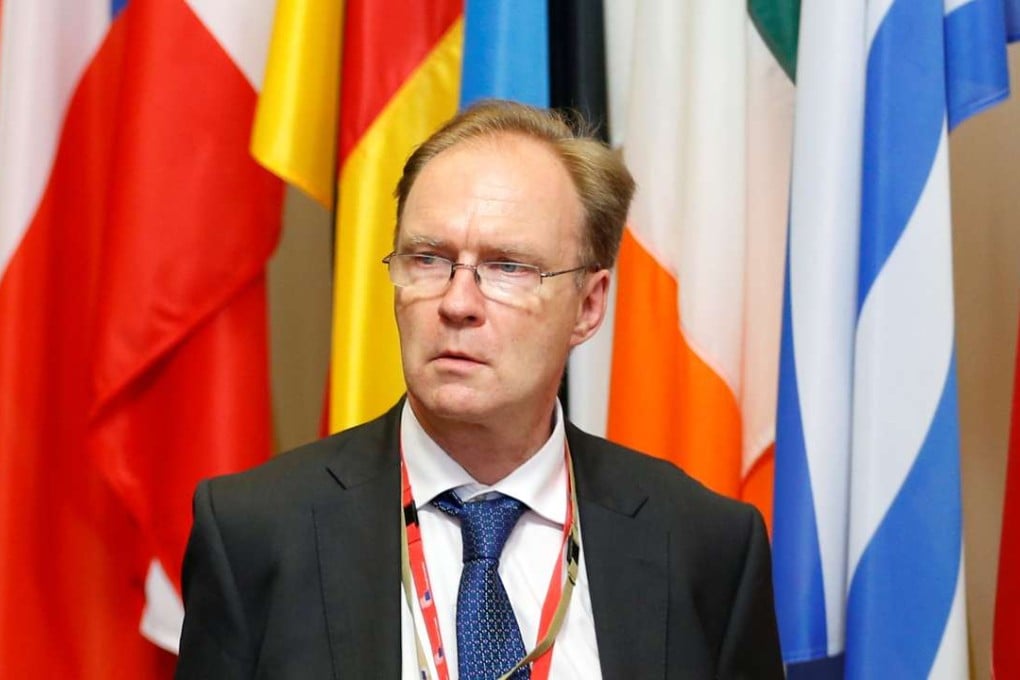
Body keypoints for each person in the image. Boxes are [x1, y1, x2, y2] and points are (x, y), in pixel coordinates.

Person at [175, 100, 783, 679]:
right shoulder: (254, 533)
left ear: (589, 306)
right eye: (428, 259)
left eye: (508, 267)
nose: (457, 303)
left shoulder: (707, 546)